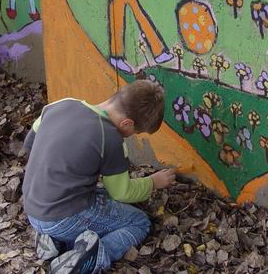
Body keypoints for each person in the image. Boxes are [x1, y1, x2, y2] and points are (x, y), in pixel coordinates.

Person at [23, 80, 175, 273]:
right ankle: (93, 258)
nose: (132, 135)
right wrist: (153, 182)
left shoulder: (59, 105)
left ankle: (55, 241)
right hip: (61, 217)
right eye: (136, 132)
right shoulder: (110, 137)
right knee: (139, 222)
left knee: (103, 196)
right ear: (127, 123)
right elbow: (122, 193)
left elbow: (29, 145)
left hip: (33, 208)